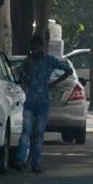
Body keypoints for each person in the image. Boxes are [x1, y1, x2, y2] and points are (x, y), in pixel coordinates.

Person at [14, 35, 73, 173]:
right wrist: (26, 76)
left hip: (43, 103)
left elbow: (68, 70)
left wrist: (54, 83)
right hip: (30, 102)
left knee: (38, 135)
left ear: (42, 47)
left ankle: (35, 163)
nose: (35, 51)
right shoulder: (27, 62)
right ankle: (20, 160)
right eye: (33, 48)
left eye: (37, 48)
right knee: (26, 132)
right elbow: (21, 77)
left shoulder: (49, 60)